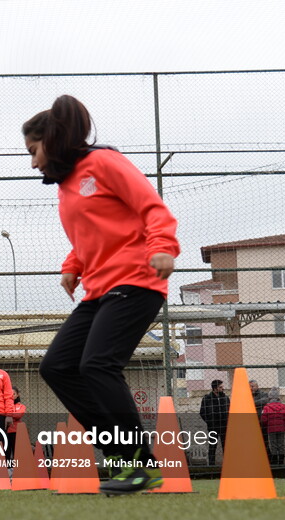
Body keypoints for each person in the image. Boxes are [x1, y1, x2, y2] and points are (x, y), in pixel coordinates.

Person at [25, 94, 180, 495]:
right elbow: (93, 233)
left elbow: (151, 207)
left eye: (33, 150)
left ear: (52, 140)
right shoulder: (66, 186)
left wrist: (163, 245)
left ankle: (138, 465)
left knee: (97, 365)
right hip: (99, 288)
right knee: (57, 367)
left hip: (136, 279)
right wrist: (72, 266)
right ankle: (120, 456)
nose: (32, 162)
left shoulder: (104, 162)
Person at [199, 379, 229, 466]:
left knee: (226, 446)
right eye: (220, 387)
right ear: (215, 388)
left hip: (224, 426)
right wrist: (210, 422)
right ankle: (211, 465)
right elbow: (202, 412)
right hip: (213, 426)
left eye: (222, 387)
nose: (223, 389)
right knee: (212, 446)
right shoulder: (207, 398)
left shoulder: (225, 398)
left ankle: (228, 464)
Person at [260, 389, 285, 465]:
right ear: (278, 397)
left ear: (269, 397)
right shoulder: (283, 407)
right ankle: (281, 462)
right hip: (281, 429)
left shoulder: (266, 407)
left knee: (273, 445)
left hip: (271, 429)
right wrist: (284, 425)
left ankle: (274, 462)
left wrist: (267, 426)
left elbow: (263, 419)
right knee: (281, 444)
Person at [6, 385, 26, 464]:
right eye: (9, 394)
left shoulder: (21, 406)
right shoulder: (4, 406)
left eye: (13, 394)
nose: (11, 396)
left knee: (16, 452)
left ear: (17, 395)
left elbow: (19, 415)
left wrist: (8, 415)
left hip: (15, 432)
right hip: (5, 431)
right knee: (6, 451)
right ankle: (7, 469)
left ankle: (16, 469)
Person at [251, 380, 271, 452]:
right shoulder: (247, 395)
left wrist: (251, 403)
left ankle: (268, 456)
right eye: (249, 386)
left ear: (257, 386)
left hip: (261, 422)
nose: (251, 388)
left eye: (252, 386)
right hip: (251, 423)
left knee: (264, 440)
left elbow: (265, 400)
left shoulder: (263, 394)